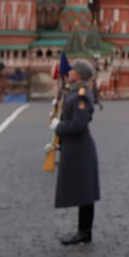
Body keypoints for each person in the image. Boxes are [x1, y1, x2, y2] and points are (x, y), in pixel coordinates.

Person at [51, 59, 100, 245]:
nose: (69, 71)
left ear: (79, 74)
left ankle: (84, 231)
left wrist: (59, 126)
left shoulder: (81, 94)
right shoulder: (74, 91)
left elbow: (78, 124)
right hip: (75, 147)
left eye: (72, 69)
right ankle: (83, 230)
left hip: (80, 147)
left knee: (85, 190)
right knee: (82, 189)